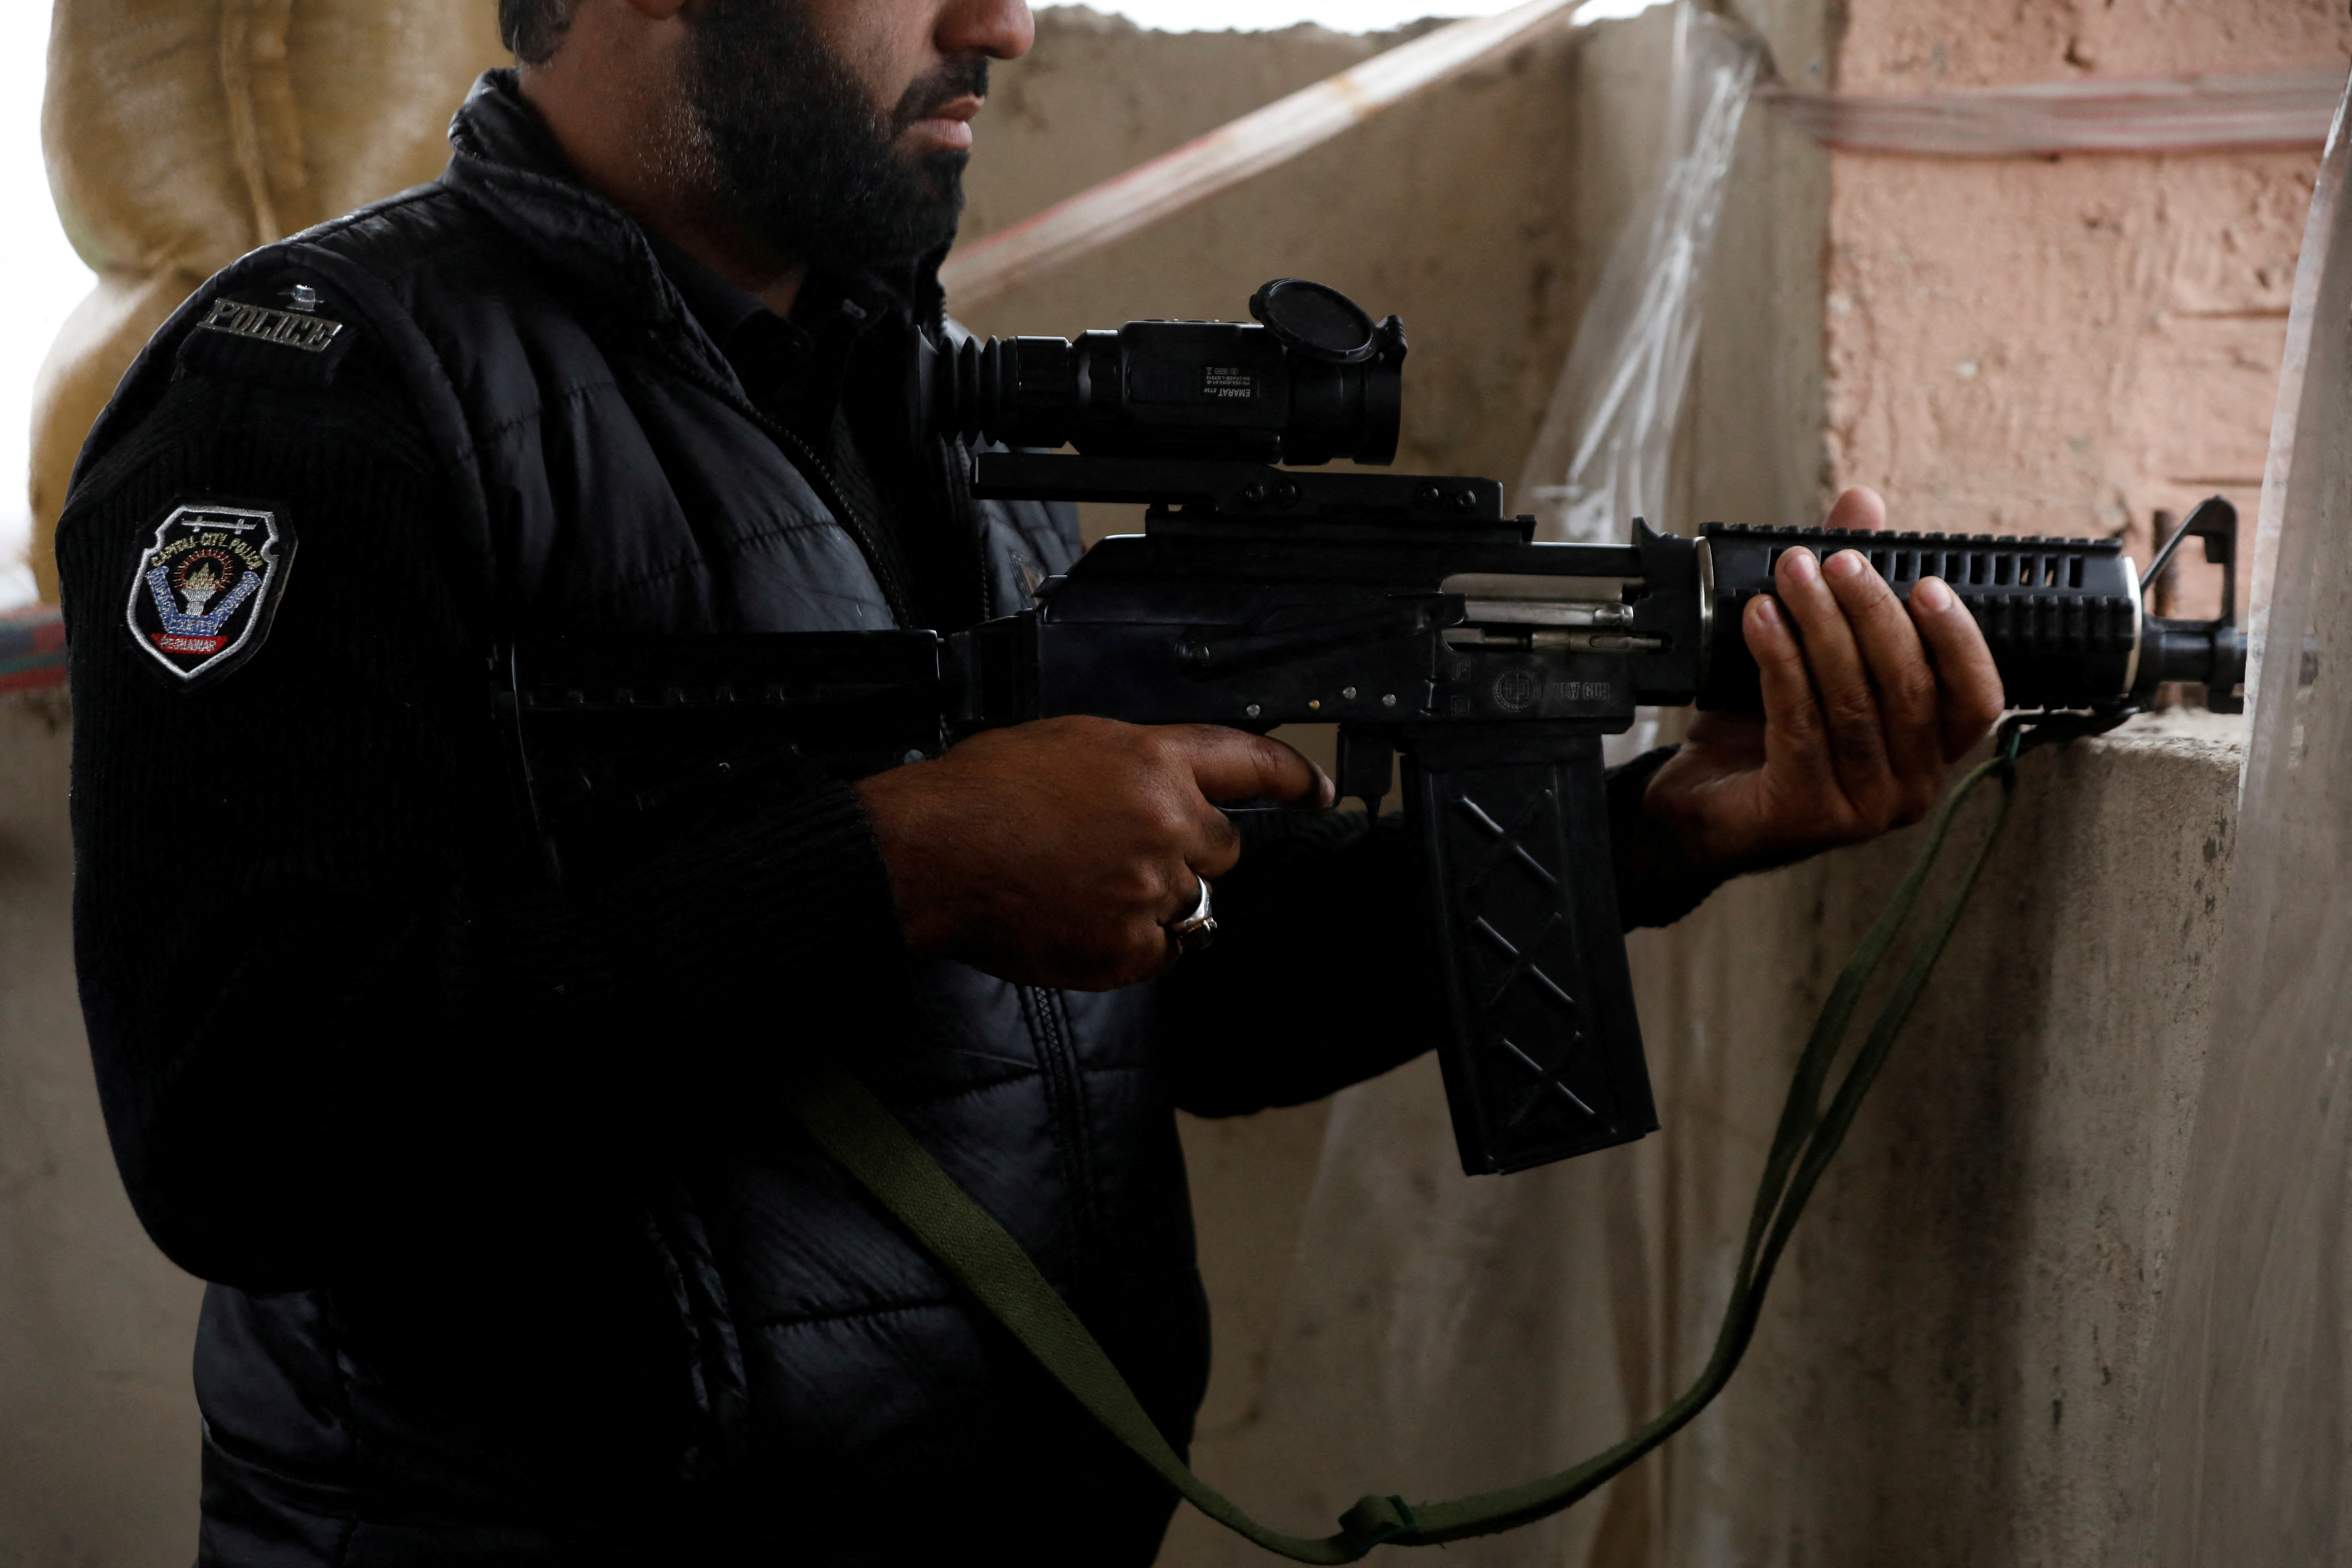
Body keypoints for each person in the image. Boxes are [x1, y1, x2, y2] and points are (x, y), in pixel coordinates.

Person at [55, 1, 2005, 1561]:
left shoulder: (909, 393)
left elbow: (1172, 977)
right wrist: (897, 866)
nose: (1008, 23)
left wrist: (1661, 827)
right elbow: (242, 1118)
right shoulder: (312, 398)